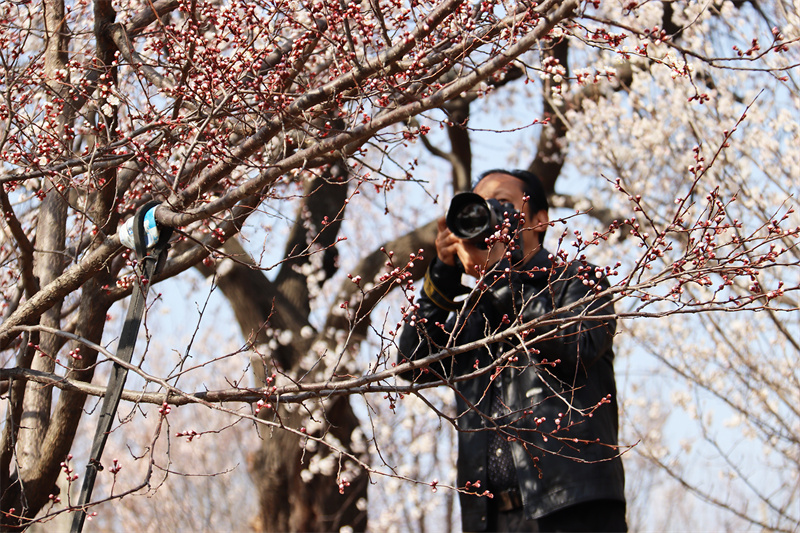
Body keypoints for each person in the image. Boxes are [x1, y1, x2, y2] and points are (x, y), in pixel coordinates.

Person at [397, 169, 626, 532]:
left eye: (502, 203)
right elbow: (413, 366)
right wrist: (441, 276)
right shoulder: (475, 311)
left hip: (573, 506)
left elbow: (574, 350)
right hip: (491, 518)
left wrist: (501, 277)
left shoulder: (578, 282)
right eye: (481, 205)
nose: (489, 212)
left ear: (539, 220)